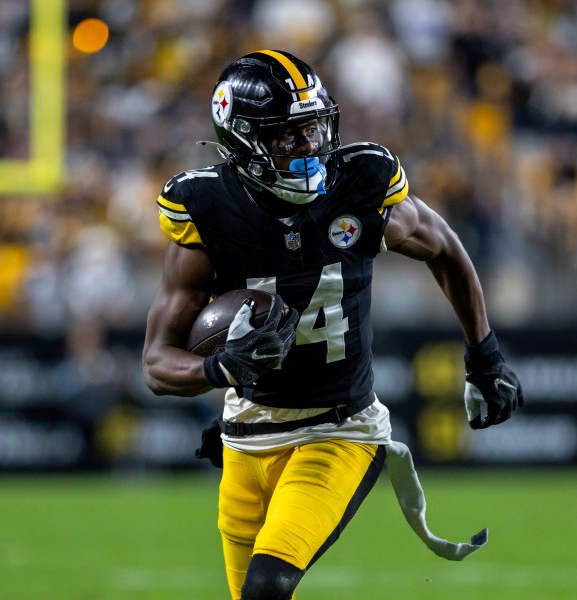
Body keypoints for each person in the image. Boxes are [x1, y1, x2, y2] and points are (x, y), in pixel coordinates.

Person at [142, 49, 523, 600]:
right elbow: (157, 363)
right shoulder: (206, 207)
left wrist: (484, 354)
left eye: (314, 129)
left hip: (337, 429)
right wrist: (219, 366)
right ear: (243, 141)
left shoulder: (358, 183)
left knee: (266, 588)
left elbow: (444, 247)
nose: (309, 148)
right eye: (287, 137)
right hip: (246, 436)